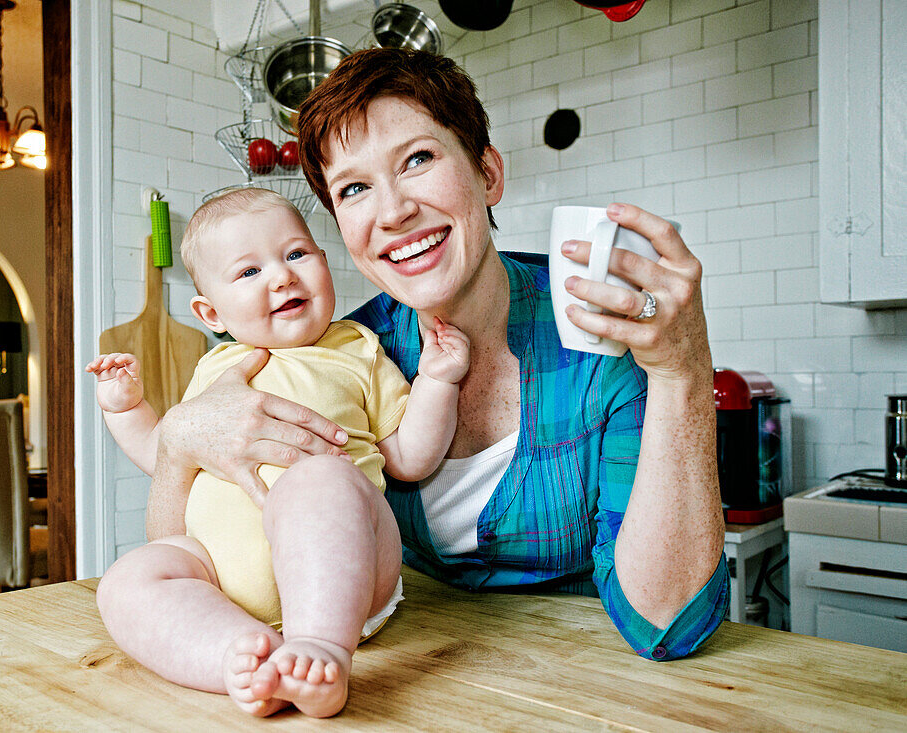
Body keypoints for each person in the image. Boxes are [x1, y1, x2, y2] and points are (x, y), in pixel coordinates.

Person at [147, 47, 729, 667]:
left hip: (587, 683)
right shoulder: (336, 356)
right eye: (354, 189)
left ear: (488, 174)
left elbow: (667, 623)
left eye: (418, 159)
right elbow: (201, 560)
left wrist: (680, 371)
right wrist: (176, 441)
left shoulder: (600, 342)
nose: (393, 212)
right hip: (400, 674)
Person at [90, 187, 470, 718]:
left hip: (348, 579)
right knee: (127, 579)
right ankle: (240, 658)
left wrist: (438, 379)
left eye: (296, 254)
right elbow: (166, 455)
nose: (282, 276)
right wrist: (125, 409)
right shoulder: (214, 370)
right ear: (211, 312)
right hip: (219, 579)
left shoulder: (356, 348)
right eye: (248, 272)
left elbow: (409, 456)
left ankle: (320, 651)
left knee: (321, 479)